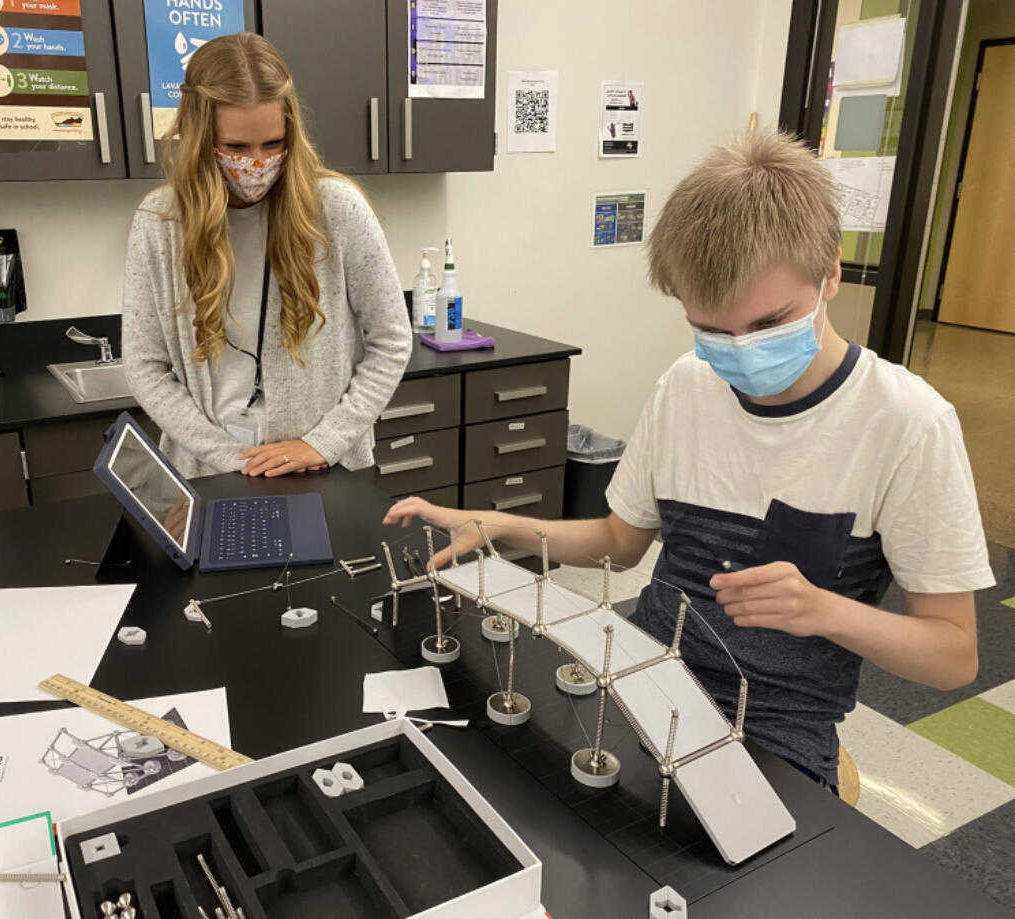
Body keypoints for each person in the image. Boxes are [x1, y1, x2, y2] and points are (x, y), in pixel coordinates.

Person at [384, 131, 992, 792]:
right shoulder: (687, 384)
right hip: (642, 672)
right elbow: (618, 540)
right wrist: (495, 525)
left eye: (768, 325)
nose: (740, 353)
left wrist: (823, 610)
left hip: (775, 726)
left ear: (831, 275)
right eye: (712, 329)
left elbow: (953, 654)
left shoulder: (907, 423)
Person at [122, 33, 411, 479]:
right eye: (235, 148)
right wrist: (231, 459)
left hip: (324, 468)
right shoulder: (160, 223)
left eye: (273, 144)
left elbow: (391, 342)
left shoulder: (337, 209)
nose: (256, 163)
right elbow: (145, 368)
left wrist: (323, 442)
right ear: (199, 138)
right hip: (207, 471)